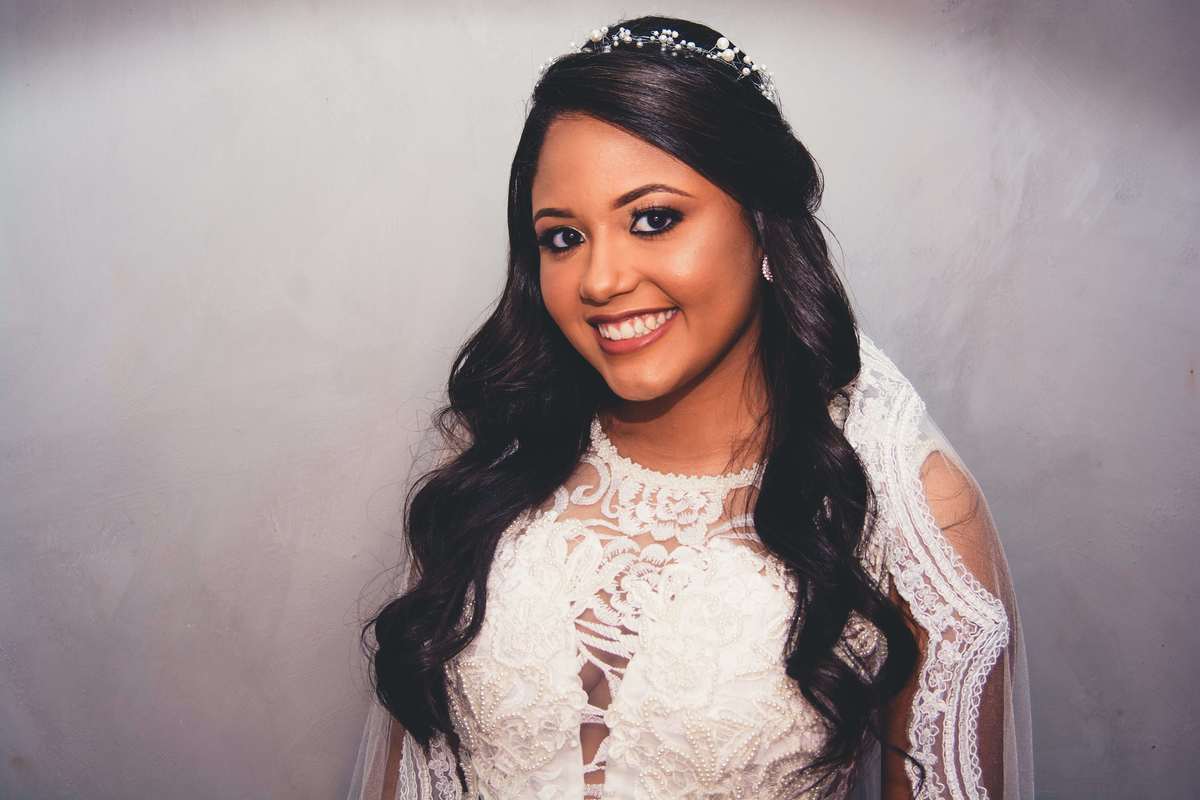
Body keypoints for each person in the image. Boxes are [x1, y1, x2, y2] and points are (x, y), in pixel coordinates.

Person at [346, 14, 1033, 800]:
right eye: (564, 238)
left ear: (763, 226)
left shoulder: (912, 512)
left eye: (654, 219)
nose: (601, 280)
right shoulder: (494, 463)